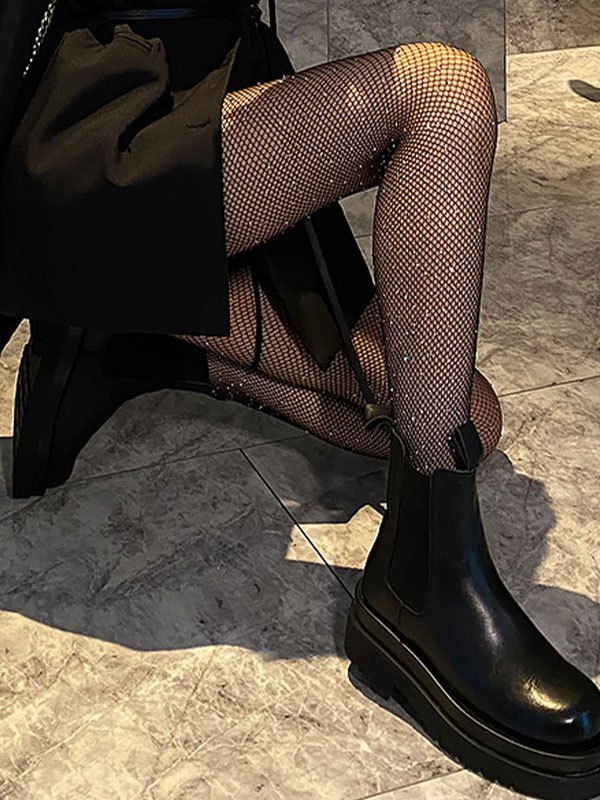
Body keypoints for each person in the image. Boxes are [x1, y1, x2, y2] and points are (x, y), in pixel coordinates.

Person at [0, 2, 598, 797]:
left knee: (467, 418)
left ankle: (134, 338)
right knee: (444, 92)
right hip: (86, 125)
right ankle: (422, 595)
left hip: (208, 86)